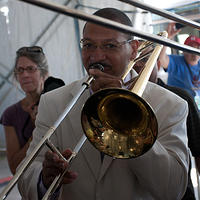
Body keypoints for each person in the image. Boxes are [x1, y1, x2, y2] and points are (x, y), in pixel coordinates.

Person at [18, 8, 189, 200]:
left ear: (133, 49)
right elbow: (25, 179)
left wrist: (129, 124)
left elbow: (173, 189)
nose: (97, 56)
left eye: (110, 46)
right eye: (89, 45)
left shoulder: (171, 105)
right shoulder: (53, 102)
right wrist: (43, 179)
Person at [134, 48, 200, 200]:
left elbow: (198, 150)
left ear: (157, 64)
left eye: (144, 60)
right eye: (133, 62)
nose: (137, 67)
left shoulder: (182, 98)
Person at [0, 46, 49, 174]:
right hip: (31, 186)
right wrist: (37, 131)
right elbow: (14, 168)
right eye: (20, 70)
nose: (25, 75)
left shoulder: (57, 104)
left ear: (44, 73)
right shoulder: (10, 115)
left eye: (30, 69)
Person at [158, 22, 200, 109]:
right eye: (191, 48)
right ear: (183, 51)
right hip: (178, 106)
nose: (195, 51)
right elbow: (162, 60)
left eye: (197, 48)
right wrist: (167, 38)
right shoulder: (177, 61)